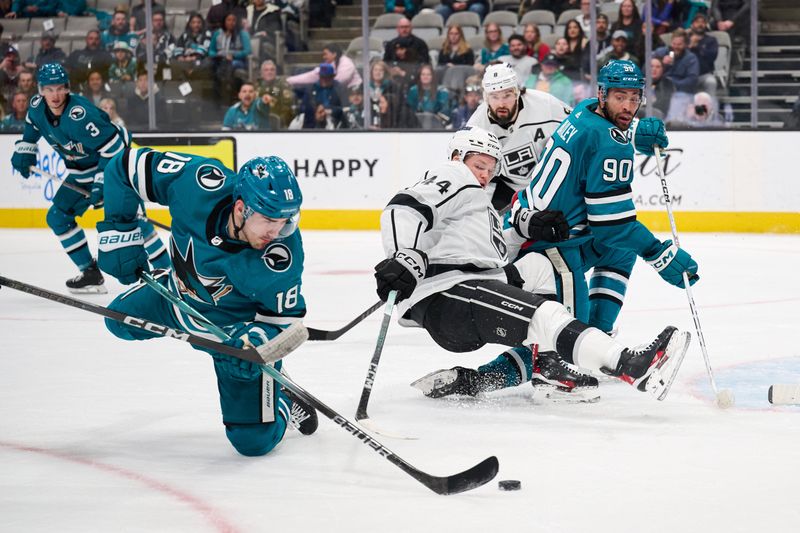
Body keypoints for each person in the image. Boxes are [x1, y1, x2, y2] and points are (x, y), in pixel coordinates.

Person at [374, 126, 690, 401]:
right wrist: (404, 256)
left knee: (541, 264)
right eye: (479, 164)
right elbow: (403, 208)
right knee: (546, 315)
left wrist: (530, 225)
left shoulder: (479, 204)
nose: (484, 174)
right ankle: (629, 365)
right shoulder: (454, 174)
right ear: (457, 156)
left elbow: (498, 252)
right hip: (451, 297)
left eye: (490, 168)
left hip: (465, 297)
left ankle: (545, 361)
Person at [448, 60, 700, 398]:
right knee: (564, 333)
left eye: (633, 98)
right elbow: (613, 225)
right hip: (541, 240)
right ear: (602, 94)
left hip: (557, 228)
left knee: (619, 253)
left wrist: (635, 130)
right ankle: (482, 379)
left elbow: (595, 129)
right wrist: (659, 254)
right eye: (619, 98)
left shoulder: (582, 109)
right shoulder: (608, 144)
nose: (627, 106)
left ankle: (600, 337)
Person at [96, 150, 318, 456]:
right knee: (116, 320)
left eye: (285, 221)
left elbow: (284, 326)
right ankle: (167, 282)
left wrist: (255, 347)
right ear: (241, 208)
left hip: (231, 339)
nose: (276, 231)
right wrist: (118, 231)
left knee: (253, 442)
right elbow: (123, 166)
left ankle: (281, 396)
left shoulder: (281, 258)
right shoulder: (198, 181)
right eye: (268, 219)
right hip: (176, 298)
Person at [10, 63, 168, 293]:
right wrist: (24, 149)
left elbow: (115, 147)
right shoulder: (35, 107)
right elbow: (33, 127)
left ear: (67, 88)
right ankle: (90, 273)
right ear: (40, 90)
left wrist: (102, 183)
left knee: (136, 223)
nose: (55, 95)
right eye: (49, 89)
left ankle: (168, 274)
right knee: (58, 217)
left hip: (117, 168)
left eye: (60, 88)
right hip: (81, 173)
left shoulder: (81, 115)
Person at [466, 62, 571, 210]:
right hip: (510, 188)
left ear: (518, 92)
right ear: (486, 97)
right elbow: (471, 175)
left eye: (507, 95)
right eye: (494, 97)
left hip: (551, 184)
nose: (501, 103)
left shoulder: (546, 104)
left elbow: (577, 128)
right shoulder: (477, 126)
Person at [287, 43, 362, 90]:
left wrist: (320, 83)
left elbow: (339, 81)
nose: (324, 57)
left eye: (325, 54)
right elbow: (313, 75)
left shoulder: (346, 63)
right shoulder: (329, 64)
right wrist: (289, 80)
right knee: (300, 71)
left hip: (354, 93)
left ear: (334, 54)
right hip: (336, 92)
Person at [257, 59, 294, 129]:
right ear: (262, 73)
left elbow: (286, 107)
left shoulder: (280, 85)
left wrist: (279, 122)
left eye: (272, 70)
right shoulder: (257, 85)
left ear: (275, 72)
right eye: (266, 70)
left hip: (278, 124)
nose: (269, 72)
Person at [688, 12, 719, 94]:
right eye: (697, 22)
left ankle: (711, 106)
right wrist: (690, 46)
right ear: (692, 25)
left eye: (703, 22)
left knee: (711, 82)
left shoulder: (711, 40)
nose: (700, 24)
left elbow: (712, 57)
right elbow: (673, 52)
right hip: (686, 76)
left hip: (704, 74)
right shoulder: (684, 39)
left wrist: (697, 47)